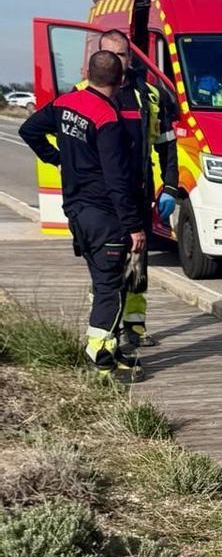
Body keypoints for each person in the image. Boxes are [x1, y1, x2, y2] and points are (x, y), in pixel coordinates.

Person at [20, 50, 144, 380]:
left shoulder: (66, 103)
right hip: (104, 213)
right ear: (119, 80)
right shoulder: (107, 117)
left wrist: (58, 158)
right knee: (110, 287)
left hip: (76, 209)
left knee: (103, 280)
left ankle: (111, 350)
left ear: (87, 74)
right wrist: (133, 225)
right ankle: (100, 357)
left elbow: (29, 130)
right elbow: (117, 179)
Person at [86, 30, 180, 349]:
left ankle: (134, 325)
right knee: (108, 267)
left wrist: (169, 187)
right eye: (111, 55)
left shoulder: (149, 95)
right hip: (102, 199)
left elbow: (167, 145)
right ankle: (105, 329)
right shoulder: (86, 95)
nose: (119, 61)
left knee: (137, 263)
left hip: (139, 192)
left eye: (124, 54)